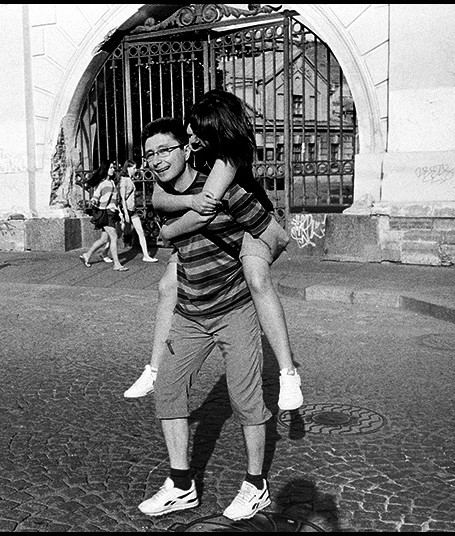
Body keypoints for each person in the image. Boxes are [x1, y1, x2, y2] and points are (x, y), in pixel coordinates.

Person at [124, 90, 302, 413]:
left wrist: (167, 232)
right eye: (189, 131)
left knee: (257, 278)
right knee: (167, 286)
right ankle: (154, 369)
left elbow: (204, 211)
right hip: (216, 225)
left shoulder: (228, 158)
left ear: (217, 131)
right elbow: (159, 199)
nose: (190, 137)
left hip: (252, 224)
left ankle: (288, 373)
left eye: (197, 132)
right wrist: (188, 200)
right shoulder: (193, 153)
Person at [136, 117, 273, 520]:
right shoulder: (163, 199)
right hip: (190, 314)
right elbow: (175, 237)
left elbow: (268, 230)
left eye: (164, 150)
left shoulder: (222, 186)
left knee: (246, 400)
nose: (157, 160)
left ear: (186, 148)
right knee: (168, 390)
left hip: (235, 309)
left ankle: (256, 486)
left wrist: (257, 261)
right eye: (150, 154)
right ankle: (181, 486)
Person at [78, 161, 128, 271]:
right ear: (105, 170)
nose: (113, 169)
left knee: (104, 239)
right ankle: (117, 264)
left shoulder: (112, 183)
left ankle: (86, 255)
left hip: (112, 213)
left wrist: (119, 213)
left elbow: (115, 201)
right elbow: (96, 196)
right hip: (106, 213)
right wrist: (94, 201)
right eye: (110, 167)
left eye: (113, 167)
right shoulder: (102, 183)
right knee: (114, 237)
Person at [118, 159, 159, 263]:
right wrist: (125, 213)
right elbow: (122, 198)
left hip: (132, 210)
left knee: (140, 232)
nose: (135, 170)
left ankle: (146, 255)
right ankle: (104, 252)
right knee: (116, 234)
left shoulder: (129, 179)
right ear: (128, 168)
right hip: (126, 210)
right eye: (133, 168)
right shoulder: (124, 180)